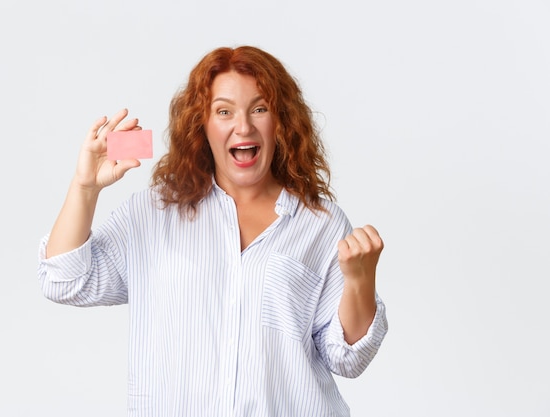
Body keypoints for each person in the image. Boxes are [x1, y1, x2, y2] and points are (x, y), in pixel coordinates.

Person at [37, 45, 388, 416]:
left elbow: (348, 359)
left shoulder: (321, 224)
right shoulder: (153, 213)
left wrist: (360, 281)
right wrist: (85, 188)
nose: (244, 126)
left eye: (259, 108)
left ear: (280, 121)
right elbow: (63, 280)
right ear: (202, 125)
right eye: (224, 111)